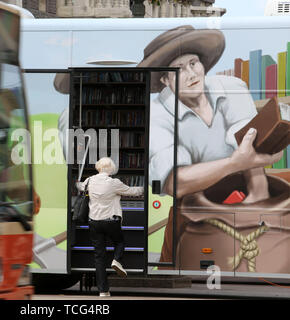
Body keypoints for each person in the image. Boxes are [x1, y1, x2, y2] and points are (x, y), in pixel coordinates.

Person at [137, 25, 283, 202]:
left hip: (245, 195)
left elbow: (250, 143)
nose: (191, 74)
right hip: (194, 207)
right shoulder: (155, 115)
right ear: (165, 80)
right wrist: (234, 163)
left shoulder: (232, 87)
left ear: (203, 65)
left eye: (193, 63)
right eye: (179, 69)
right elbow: (174, 183)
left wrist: (258, 198)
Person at [76, 157, 143, 297]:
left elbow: (80, 186)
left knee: (99, 257)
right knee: (119, 241)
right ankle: (117, 260)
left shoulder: (89, 181)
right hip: (111, 221)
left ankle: (103, 291)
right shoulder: (114, 183)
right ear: (111, 169)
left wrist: (78, 183)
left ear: (98, 167)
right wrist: (147, 187)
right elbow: (132, 191)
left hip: (94, 222)